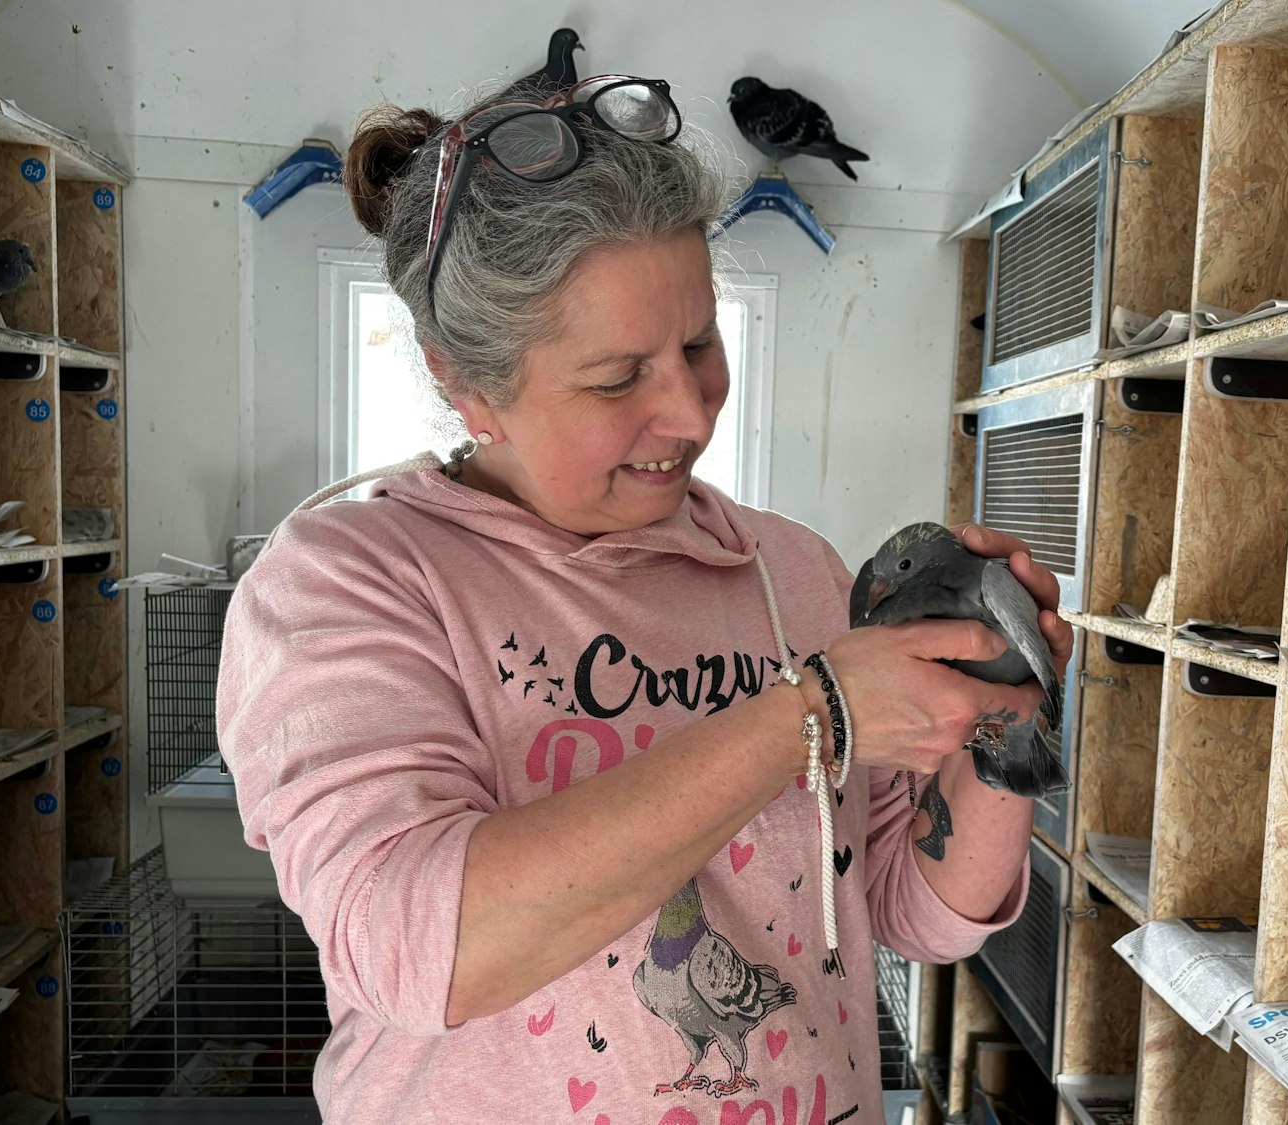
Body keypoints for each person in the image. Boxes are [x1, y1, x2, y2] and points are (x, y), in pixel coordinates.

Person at [215, 72, 1072, 1125]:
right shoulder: (347, 580)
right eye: (618, 379)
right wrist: (814, 716)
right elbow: (416, 949)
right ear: (466, 387)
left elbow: (910, 910)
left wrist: (1003, 720)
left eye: (701, 346)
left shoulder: (789, 570)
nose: (688, 415)